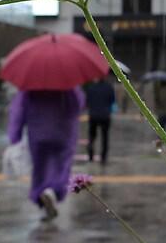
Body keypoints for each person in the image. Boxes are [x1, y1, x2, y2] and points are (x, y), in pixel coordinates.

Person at [7, 87, 85, 220]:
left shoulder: (31, 87)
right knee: (62, 166)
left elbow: (18, 110)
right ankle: (53, 191)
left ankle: (41, 193)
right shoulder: (68, 86)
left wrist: (15, 134)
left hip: (38, 132)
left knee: (40, 168)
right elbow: (78, 105)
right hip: (63, 132)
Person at [83, 77, 115, 164]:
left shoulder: (91, 88)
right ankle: (103, 157)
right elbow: (112, 100)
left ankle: (90, 154)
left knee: (92, 135)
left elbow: (87, 101)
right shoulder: (109, 88)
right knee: (105, 137)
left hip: (93, 115)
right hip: (105, 115)